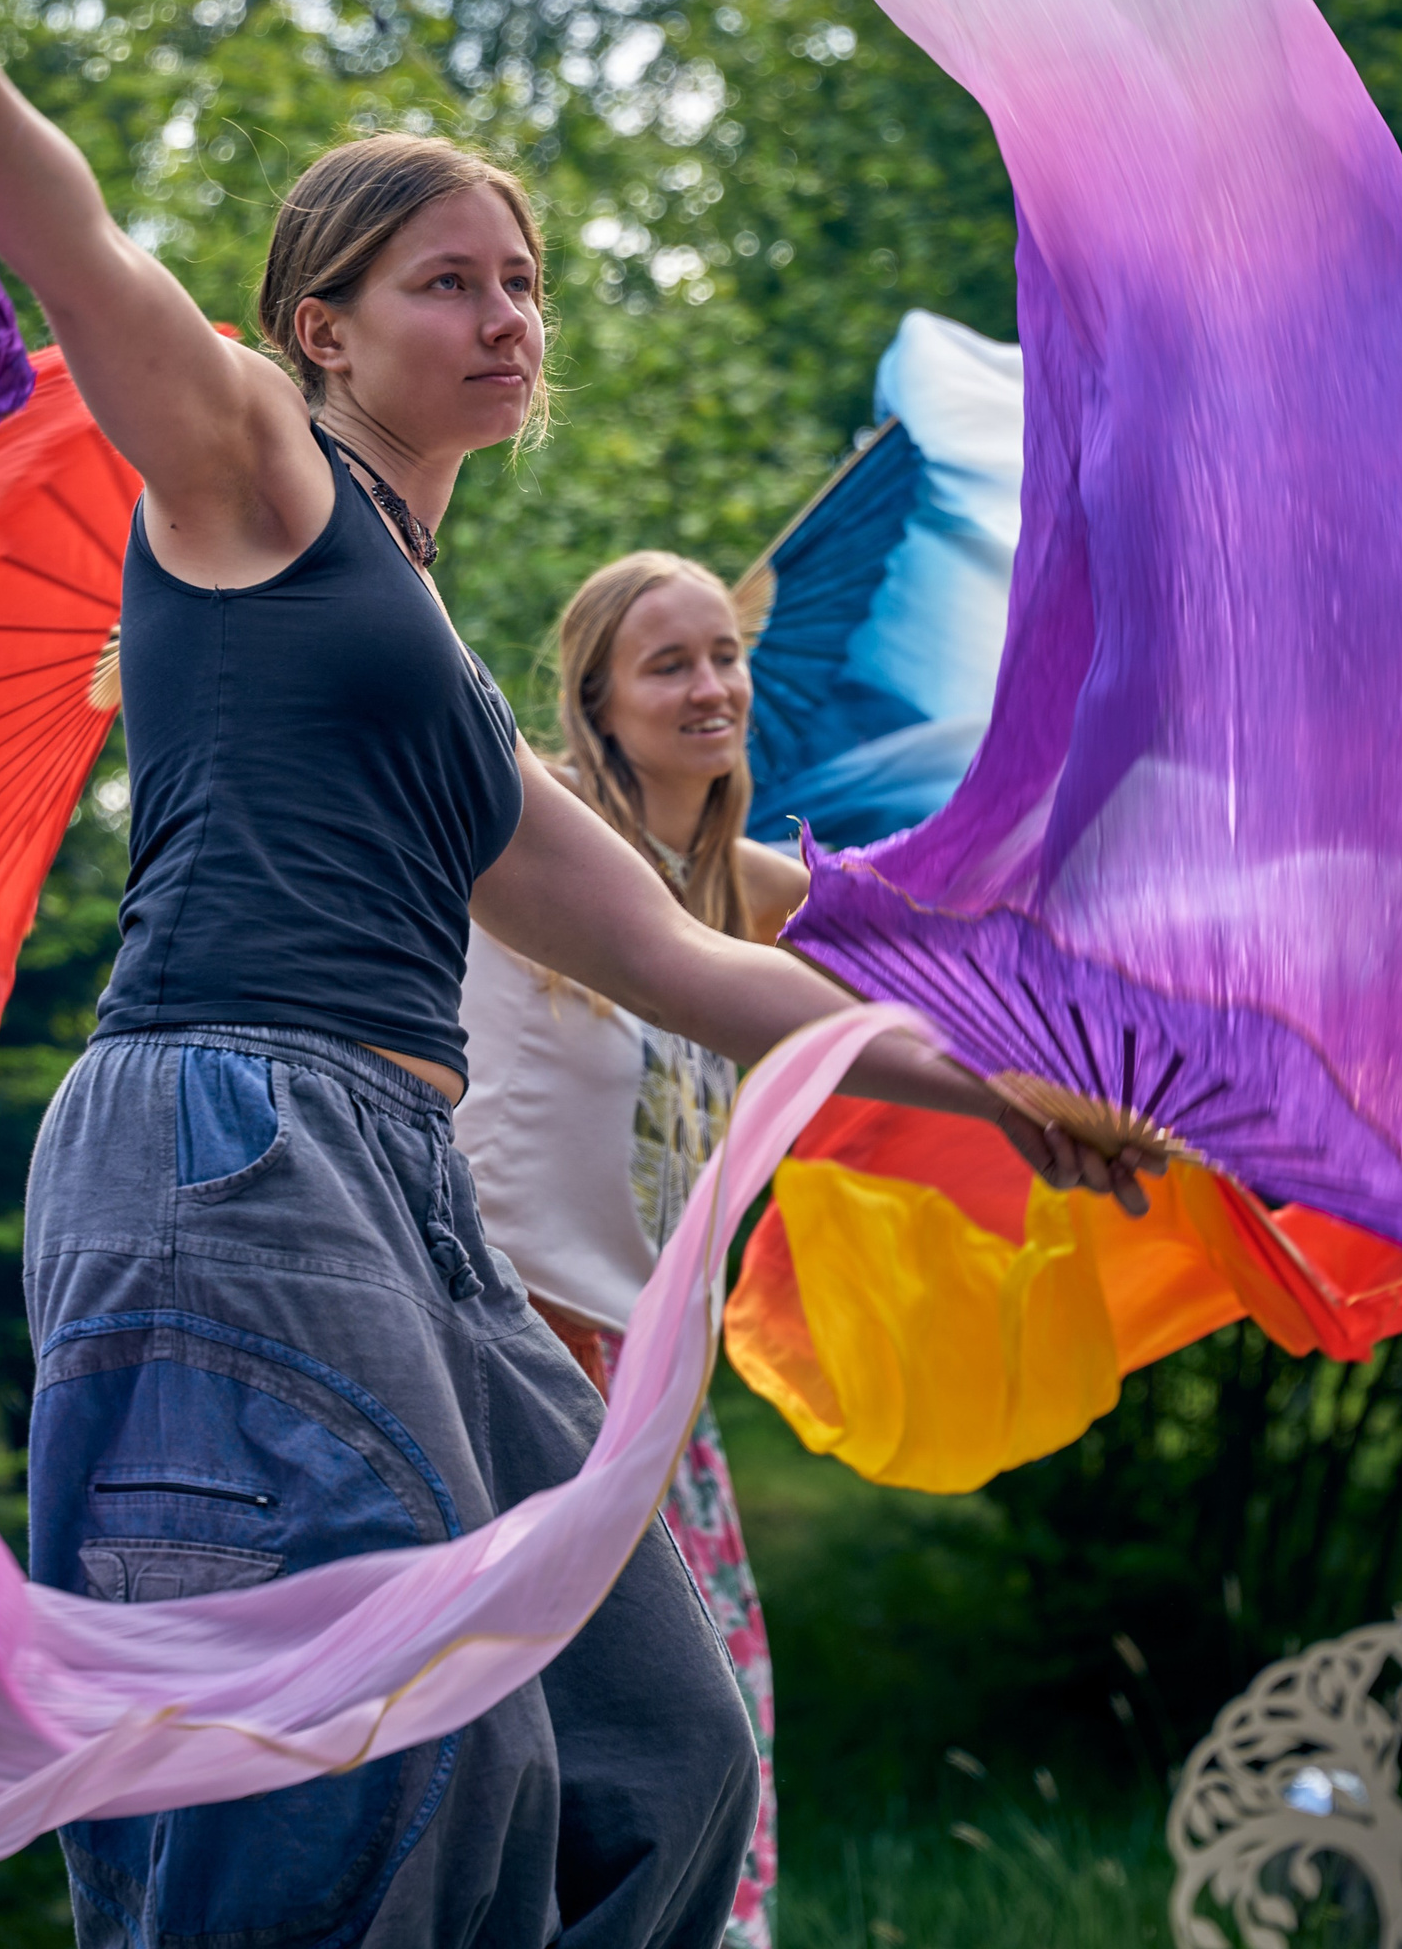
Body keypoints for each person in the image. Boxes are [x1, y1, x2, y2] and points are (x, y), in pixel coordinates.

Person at [0, 0, 1152, 1949]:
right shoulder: (251, 473)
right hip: (227, 1147)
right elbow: (75, 244)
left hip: (401, 1195)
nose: (506, 315)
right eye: (448, 281)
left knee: (664, 1750)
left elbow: (690, 958)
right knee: (396, 1748)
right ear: (319, 326)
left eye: (521, 282)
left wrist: (972, 1076)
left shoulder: (439, 678)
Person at [456, 553, 814, 1949]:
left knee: (713, 1756)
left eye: (724, 654)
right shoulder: (528, 860)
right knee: (557, 1774)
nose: (711, 685)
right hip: (525, 1379)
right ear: (595, 700)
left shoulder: (736, 893)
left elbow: (921, 918)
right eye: (669, 664)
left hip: (666, 1405)